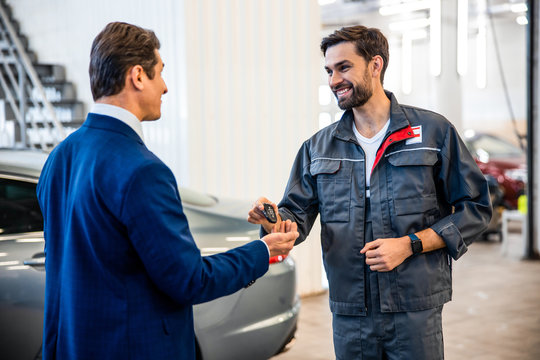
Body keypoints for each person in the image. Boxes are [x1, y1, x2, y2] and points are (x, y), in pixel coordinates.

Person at [36, 22, 298, 360]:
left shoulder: (59, 157)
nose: (165, 87)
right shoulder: (143, 170)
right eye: (160, 73)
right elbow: (189, 280)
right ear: (138, 76)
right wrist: (263, 252)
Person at [248, 25, 491, 359]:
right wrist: (273, 220)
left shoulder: (433, 133)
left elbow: (475, 208)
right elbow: (295, 219)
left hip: (413, 309)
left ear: (375, 65)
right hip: (351, 312)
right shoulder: (318, 148)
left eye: (344, 67)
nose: (334, 80)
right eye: (329, 71)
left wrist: (409, 245)